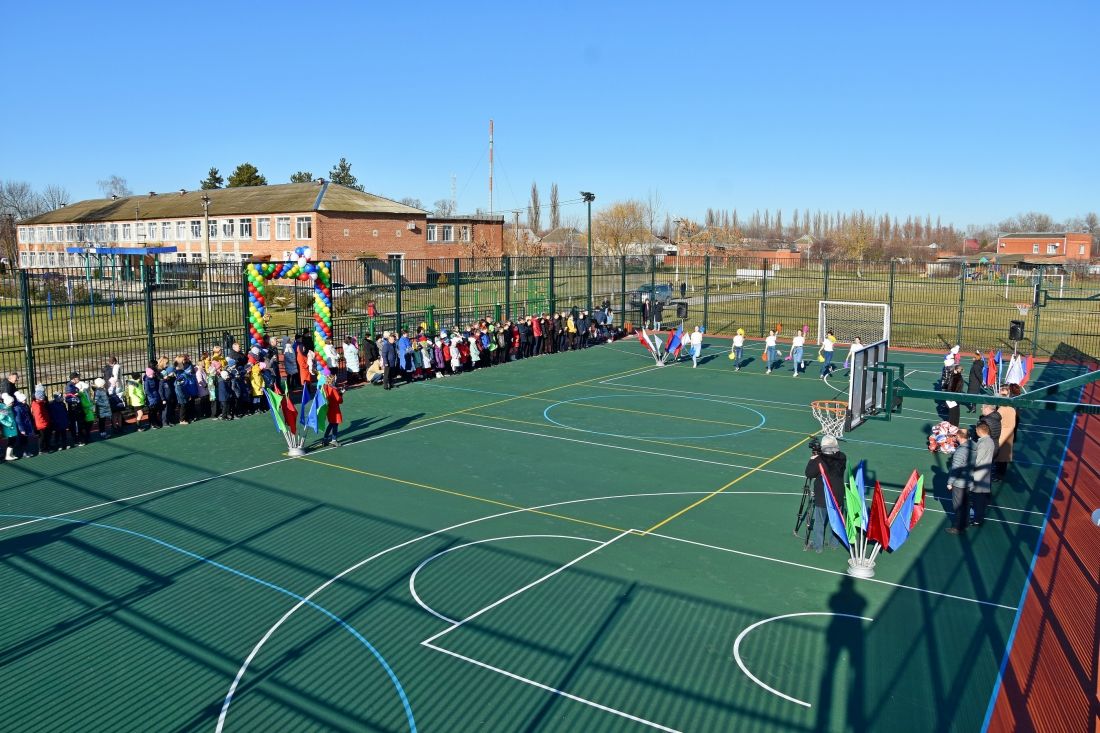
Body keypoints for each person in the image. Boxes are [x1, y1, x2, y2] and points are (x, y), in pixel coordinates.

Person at [804, 435, 847, 553]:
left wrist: (813, 458)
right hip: (838, 495)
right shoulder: (843, 457)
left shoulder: (819, 460)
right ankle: (834, 543)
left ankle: (818, 546)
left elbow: (809, 473)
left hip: (823, 496)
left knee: (819, 522)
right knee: (836, 521)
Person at [945, 428, 973, 535]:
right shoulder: (974, 446)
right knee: (966, 504)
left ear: (959, 436)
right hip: (969, 480)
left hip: (960, 483)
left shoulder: (960, 451)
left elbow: (956, 469)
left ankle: (957, 527)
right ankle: (965, 524)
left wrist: (950, 482)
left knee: (958, 506)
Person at [970, 422, 996, 527]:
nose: (976, 432)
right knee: (981, 497)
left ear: (980, 431)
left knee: (978, 498)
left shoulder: (982, 443)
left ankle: (977, 519)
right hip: (986, 472)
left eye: (976, 430)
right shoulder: (990, 441)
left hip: (979, 474)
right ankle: (979, 515)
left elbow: (977, 459)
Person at [994, 385, 1017, 481]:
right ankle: (1000, 473)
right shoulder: (1012, 408)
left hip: (1002, 434)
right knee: (1004, 456)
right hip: (1009, 434)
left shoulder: (1002, 409)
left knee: (1001, 457)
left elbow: (995, 420)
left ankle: (999, 475)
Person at [321, 377, 343, 447]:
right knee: (335, 424)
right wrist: (341, 393)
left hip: (329, 408)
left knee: (331, 424)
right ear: (332, 381)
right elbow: (339, 400)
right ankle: (334, 440)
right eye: (334, 380)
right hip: (335, 409)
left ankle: (325, 439)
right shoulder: (333, 389)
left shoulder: (325, 388)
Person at [0, 394, 17, 461]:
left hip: (12, 428)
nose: (12, 403)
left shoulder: (8, 408)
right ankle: (8, 455)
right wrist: (9, 424)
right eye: (11, 402)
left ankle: (11, 454)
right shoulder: (5, 409)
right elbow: (1, 419)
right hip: (10, 428)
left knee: (12, 441)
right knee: (11, 442)